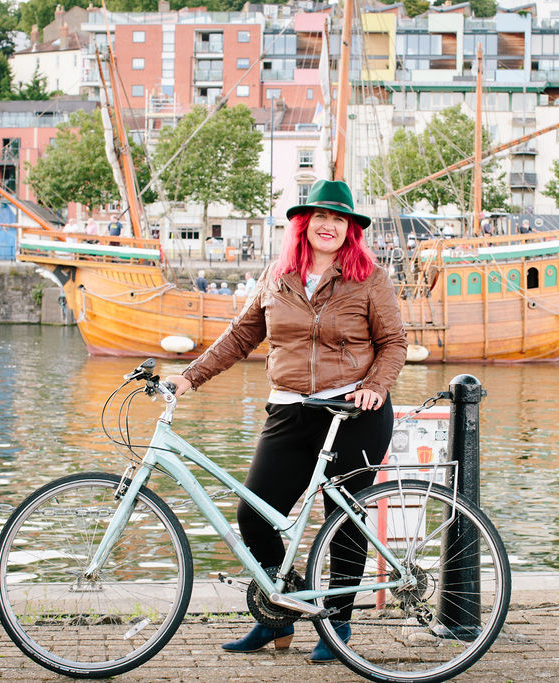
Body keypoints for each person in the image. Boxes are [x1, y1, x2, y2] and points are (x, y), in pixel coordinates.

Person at [165, 179, 406, 663]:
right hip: (290, 411)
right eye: (321, 217)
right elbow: (239, 338)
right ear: (303, 224)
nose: (329, 225)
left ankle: (337, 627)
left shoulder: (369, 279)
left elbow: (394, 343)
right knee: (254, 514)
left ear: (350, 230)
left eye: (340, 219)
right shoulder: (276, 277)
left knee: (344, 522)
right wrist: (188, 379)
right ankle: (277, 612)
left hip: (354, 413)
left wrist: (374, 387)